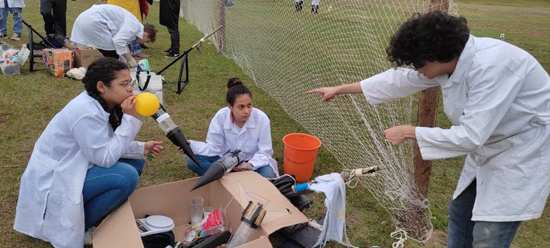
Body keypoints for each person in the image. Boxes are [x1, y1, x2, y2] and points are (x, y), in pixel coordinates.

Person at [308, 11, 550, 248]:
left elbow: (471, 136)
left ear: (437, 56)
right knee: (460, 213)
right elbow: (399, 80)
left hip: (523, 152)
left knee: (490, 231)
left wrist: (409, 132)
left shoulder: (493, 67)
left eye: (418, 64)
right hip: (491, 145)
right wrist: (341, 89)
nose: (416, 69)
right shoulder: (451, 62)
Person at [14, 58, 163, 247]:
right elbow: (105, 158)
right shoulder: (85, 112)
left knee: (137, 161)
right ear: (102, 86)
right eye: (124, 84)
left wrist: (142, 148)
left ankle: (87, 215)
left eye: (130, 83)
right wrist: (130, 119)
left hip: (78, 163)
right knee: (126, 176)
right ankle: (78, 227)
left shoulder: (102, 103)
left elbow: (105, 143)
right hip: (55, 178)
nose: (130, 90)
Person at [187, 77, 278, 178]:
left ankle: (224, 178)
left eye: (249, 105)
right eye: (241, 107)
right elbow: (214, 147)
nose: (247, 111)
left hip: (252, 161)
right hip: (226, 161)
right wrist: (191, 146)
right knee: (192, 161)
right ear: (230, 107)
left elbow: (265, 152)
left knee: (268, 175)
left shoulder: (262, 119)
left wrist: (250, 165)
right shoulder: (221, 116)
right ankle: (232, 179)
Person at [70, 4, 157, 67]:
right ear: (146, 34)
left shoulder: (134, 24)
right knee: (110, 50)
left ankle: (82, 62)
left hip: (85, 18)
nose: (143, 43)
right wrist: (129, 59)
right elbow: (118, 41)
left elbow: (121, 43)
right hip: (93, 21)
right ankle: (106, 66)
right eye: (147, 41)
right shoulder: (134, 27)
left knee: (89, 47)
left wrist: (125, 58)